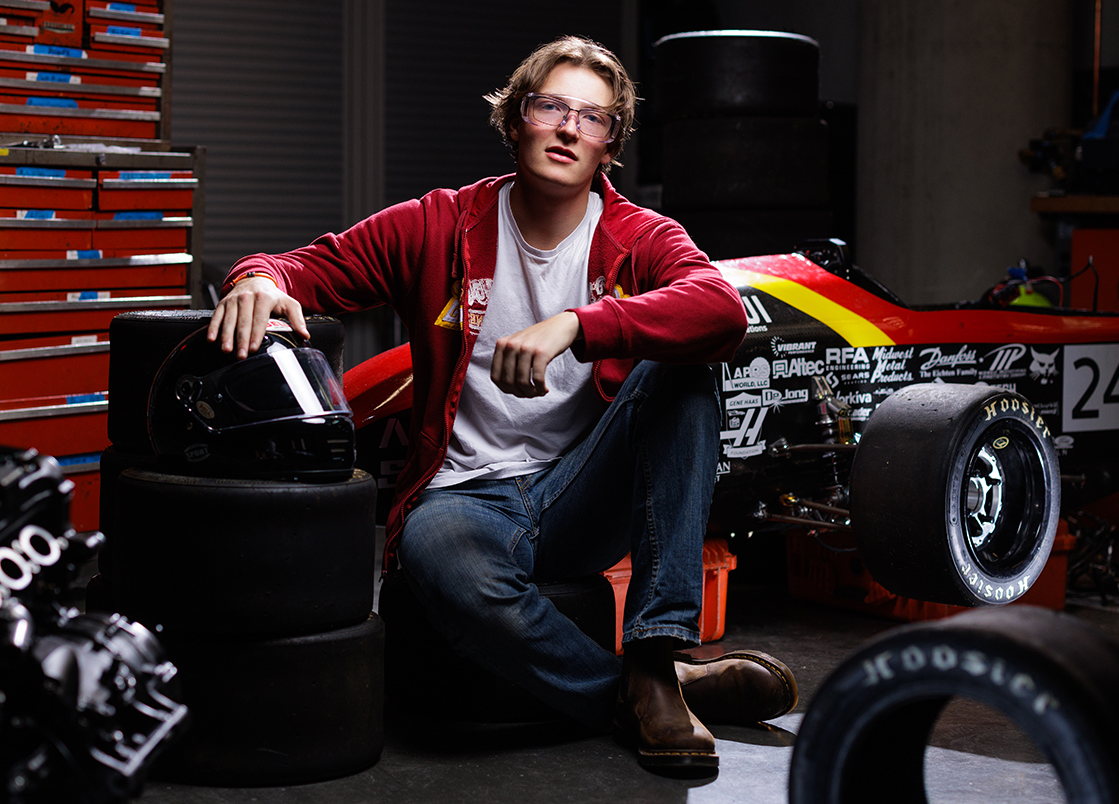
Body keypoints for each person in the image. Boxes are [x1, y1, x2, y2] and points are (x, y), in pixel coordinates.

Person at [207, 35, 796, 774]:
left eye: (592, 116)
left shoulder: (636, 235)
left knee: (682, 373)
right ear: (515, 118)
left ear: (610, 142)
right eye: (551, 106)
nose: (568, 127)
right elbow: (303, 267)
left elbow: (719, 311)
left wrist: (577, 326)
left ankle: (654, 654)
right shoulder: (437, 223)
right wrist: (256, 280)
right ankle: (650, 695)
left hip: (580, 489)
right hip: (466, 499)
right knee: (437, 558)